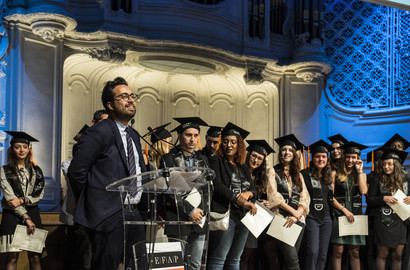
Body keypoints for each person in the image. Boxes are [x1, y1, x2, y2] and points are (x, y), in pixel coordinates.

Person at [68, 77, 147, 270]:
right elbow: (76, 172)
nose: (131, 100)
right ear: (110, 104)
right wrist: (94, 202)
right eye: (124, 96)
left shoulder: (134, 135)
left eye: (132, 96)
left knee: (138, 264)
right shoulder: (99, 132)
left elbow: (139, 171)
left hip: (134, 211)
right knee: (106, 266)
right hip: (108, 213)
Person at [160, 117, 210, 270]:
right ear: (180, 136)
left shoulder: (202, 160)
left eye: (196, 135)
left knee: (195, 264)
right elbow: (169, 190)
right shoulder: (168, 159)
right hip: (177, 216)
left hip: (199, 218)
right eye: (188, 135)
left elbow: (207, 190)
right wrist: (189, 210)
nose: (192, 139)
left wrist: (202, 212)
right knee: (175, 265)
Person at [60, 110, 108, 270]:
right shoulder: (83, 145)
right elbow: (76, 175)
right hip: (80, 214)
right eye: (104, 122)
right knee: (80, 258)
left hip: (102, 215)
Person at [207, 122, 257, 270]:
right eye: (226, 141)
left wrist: (249, 193)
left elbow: (254, 189)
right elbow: (218, 186)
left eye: (233, 142)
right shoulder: (216, 161)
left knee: (235, 260)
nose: (229, 145)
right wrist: (239, 200)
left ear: (239, 145)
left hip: (243, 218)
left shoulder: (243, 166)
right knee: (218, 259)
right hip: (225, 215)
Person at [0, 131, 45, 270]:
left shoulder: (36, 170)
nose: (22, 150)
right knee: (12, 258)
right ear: (12, 149)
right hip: (12, 214)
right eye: (18, 147)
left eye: (24, 147)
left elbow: (39, 194)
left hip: (33, 212)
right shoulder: (4, 170)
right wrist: (26, 217)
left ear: (29, 149)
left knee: (36, 258)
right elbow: (10, 199)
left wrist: (22, 200)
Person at [271, 134, 310, 270]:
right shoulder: (272, 171)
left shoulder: (298, 175)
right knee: (293, 262)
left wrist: (297, 214)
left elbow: (305, 196)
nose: (287, 152)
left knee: (289, 261)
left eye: (290, 150)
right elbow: (274, 196)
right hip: (281, 220)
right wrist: (292, 212)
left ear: (294, 154)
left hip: (298, 221)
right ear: (280, 152)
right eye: (284, 149)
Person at [367, 148, 409, 270]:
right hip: (382, 221)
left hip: (401, 220)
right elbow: (370, 201)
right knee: (382, 254)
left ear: (396, 165)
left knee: (397, 255)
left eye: (389, 164)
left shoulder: (407, 179)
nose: (386, 167)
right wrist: (383, 198)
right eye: (384, 164)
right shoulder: (377, 179)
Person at [331, 141, 368, 270]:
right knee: (338, 251)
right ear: (343, 156)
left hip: (356, 216)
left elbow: (363, 191)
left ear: (358, 159)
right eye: (348, 157)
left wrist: (359, 171)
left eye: (354, 157)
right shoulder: (335, 173)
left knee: (355, 252)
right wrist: (344, 211)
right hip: (339, 215)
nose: (350, 160)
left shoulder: (362, 175)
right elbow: (330, 197)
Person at [240, 140, 276, 270]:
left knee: (251, 255)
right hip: (239, 215)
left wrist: (266, 203)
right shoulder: (238, 171)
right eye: (254, 156)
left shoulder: (261, 177)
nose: (256, 160)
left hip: (254, 220)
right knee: (240, 255)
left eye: (260, 158)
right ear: (248, 154)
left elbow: (265, 197)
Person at [300, 140, 333, 270]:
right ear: (312, 158)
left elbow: (331, 198)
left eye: (324, 157)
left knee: (323, 254)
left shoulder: (329, 176)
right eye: (318, 156)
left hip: (326, 218)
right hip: (311, 216)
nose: (321, 159)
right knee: (312, 251)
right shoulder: (304, 174)